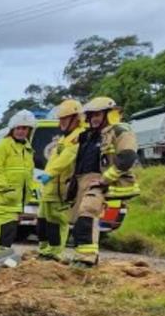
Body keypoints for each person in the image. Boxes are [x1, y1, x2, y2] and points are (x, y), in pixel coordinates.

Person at [66, 97, 140, 266]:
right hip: (83, 182)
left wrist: (105, 179)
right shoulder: (89, 135)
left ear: (109, 114)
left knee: (87, 213)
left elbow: (127, 157)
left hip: (100, 182)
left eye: (97, 114)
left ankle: (87, 260)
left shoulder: (119, 131)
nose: (93, 118)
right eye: (91, 115)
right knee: (78, 221)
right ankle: (82, 257)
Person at [34, 100, 84, 260]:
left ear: (76, 118)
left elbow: (66, 158)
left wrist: (50, 173)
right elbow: (56, 159)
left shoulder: (78, 137)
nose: (60, 122)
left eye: (64, 118)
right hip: (50, 187)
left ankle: (54, 253)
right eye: (60, 119)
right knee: (42, 220)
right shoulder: (64, 138)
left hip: (61, 188)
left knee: (56, 221)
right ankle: (44, 249)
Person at [0, 110, 36, 255]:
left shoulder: (27, 149)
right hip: (3, 199)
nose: (20, 131)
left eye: (24, 128)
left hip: (16, 200)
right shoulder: (4, 145)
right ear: (12, 129)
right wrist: (6, 190)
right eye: (18, 128)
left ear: (29, 130)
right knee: (6, 229)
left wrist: (28, 194)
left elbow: (28, 175)